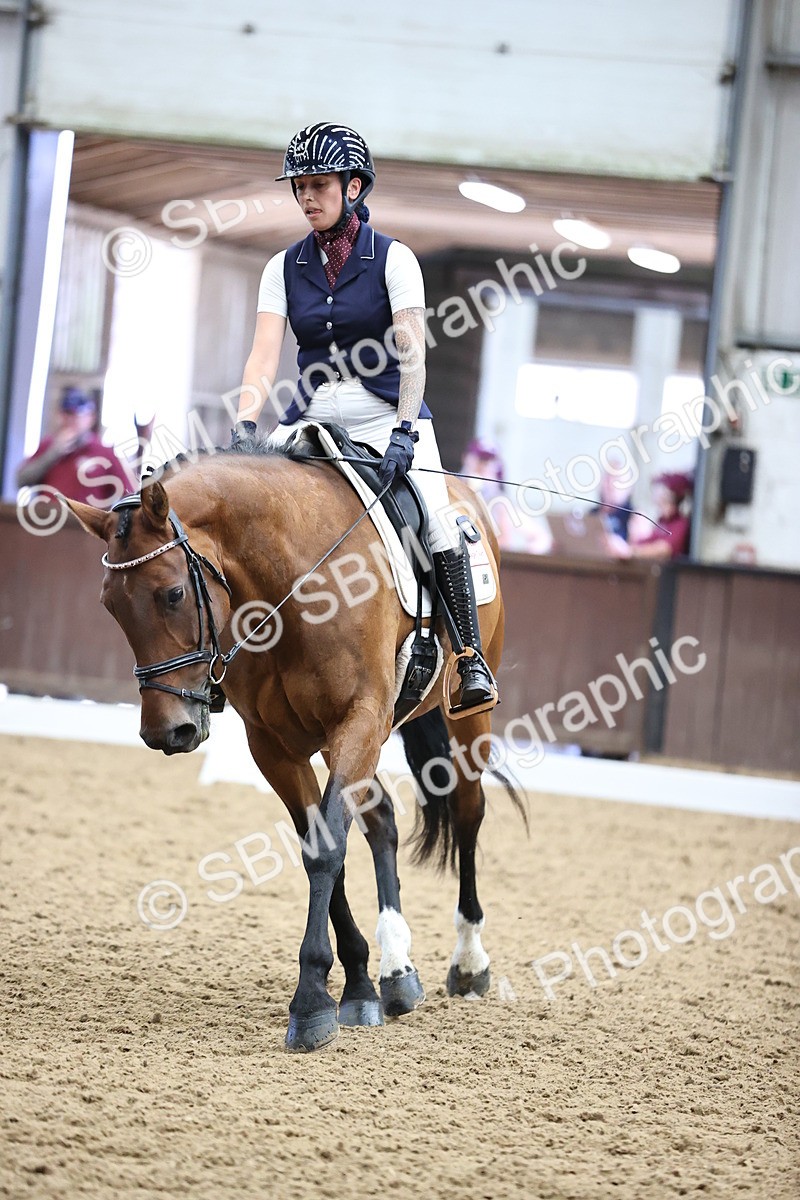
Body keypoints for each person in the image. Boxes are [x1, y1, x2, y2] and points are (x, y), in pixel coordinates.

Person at [235, 122, 494, 710]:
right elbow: (263, 356)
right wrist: (246, 426)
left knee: (437, 518)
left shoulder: (395, 260)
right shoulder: (282, 267)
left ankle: (470, 660)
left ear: (353, 186)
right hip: (312, 414)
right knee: (246, 512)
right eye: (299, 186)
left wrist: (406, 428)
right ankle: (233, 660)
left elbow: (412, 356)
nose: (306, 196)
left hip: (385, 414)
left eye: (318, 185)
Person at [16, 387, 131, 508]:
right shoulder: (48, 445)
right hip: (47, 519)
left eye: (76, 414)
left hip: (85, 522)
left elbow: (128, 494)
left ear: (90, 418)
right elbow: (21, 480)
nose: (70, 420)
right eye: (66, 414)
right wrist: (52, 454)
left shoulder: (104, 452)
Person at [614, 471, 693, 561]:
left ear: (670, 495)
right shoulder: (662, 521)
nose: (655, 492)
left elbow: (664, 549)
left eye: (661, 488)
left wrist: (630, 552)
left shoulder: (680, 524)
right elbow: (645, 542)